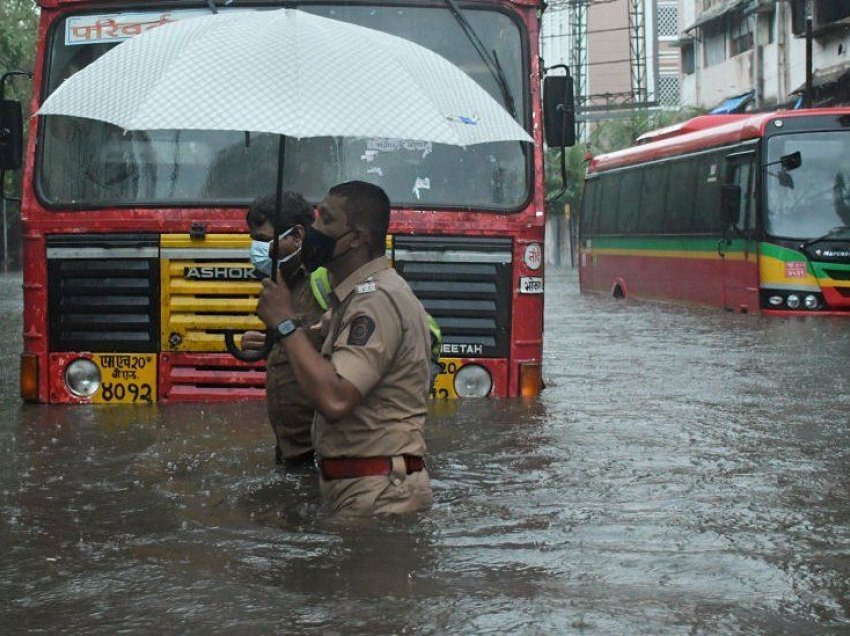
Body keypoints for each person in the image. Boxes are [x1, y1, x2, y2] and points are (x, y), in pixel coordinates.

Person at [257, 181, 433, 515]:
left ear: (357, 237)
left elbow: (336, 398)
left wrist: (285, 323)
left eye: (326, 220)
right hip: (362, 488)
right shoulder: (354, 298)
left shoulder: (375, 301)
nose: (314, 230)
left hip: (379, 495)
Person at [242, 192, 330, 467]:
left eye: (265, 240)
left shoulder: (325, 280)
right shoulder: (281, 287)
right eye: (254, 241)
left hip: (323, 451)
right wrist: (270, 341)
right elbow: (298, 344)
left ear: (298, 236)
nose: (258, 250)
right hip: (290, 448)